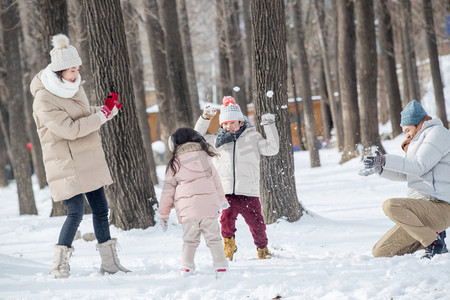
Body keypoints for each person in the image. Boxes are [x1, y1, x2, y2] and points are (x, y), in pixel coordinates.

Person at [30, 34, 130, 278]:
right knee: (75, 212)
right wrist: (101, 117)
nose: (76, 75)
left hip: (87, 158)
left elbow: (83, 114)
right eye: (71, 70)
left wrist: (107, 110)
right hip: (66, 162)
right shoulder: (44, 98)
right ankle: (59, 264)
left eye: (77, 69)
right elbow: (70, 129)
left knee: (101, 210)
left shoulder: (73, 88)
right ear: (58, 71)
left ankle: (109, 263)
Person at [361, 100, 450, 259]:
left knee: (391, 205)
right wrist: (380, 168)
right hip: (420, 211)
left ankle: (434, 244)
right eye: (404, 131)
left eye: (408, 129)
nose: (406, 134)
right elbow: (407, 173)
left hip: (440, 207)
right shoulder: (417, 141)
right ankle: (431, 236)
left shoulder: (438, 133)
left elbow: (419, 166)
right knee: (381, 252)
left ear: (419, 123)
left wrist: (385, 159)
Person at [194, 96, 279, 260]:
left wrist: (269, 125)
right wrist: (205, 118)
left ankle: (262, 248)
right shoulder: (216, 142)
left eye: (232, 122)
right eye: (225, 124)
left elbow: (272, 148)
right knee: (225, 222)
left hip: (248, 191)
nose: (228, 126)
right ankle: (229, 245)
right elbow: (197, 137)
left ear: (241, 122)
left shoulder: (252, 137)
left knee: (257, 224)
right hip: (226, 192)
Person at [159, 128, 229, 277]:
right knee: (214, 239)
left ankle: (186, 268)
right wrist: (222, 200)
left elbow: (167, 192)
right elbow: (216, 181)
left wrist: (163, 214)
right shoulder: (205, 158)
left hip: (188, 211)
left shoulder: (174, 164)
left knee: (189, 241)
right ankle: (221, 266)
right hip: (209, 208)